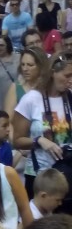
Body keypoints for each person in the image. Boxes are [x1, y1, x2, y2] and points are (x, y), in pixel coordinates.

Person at [13, 52, 72, 196]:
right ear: (53, 73)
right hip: (39, 176)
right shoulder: (31, 99)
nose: (70, 80)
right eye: (67, 76)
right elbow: (17, 141)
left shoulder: (70, 97)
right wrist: (39, 140)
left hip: (67, 173)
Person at [4, 44, 48, 119]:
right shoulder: (15, 87)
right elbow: (8, 119)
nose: (25, 69)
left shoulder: (48, 87)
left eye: (30, 65)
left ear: (41, 66)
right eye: (23, 64)